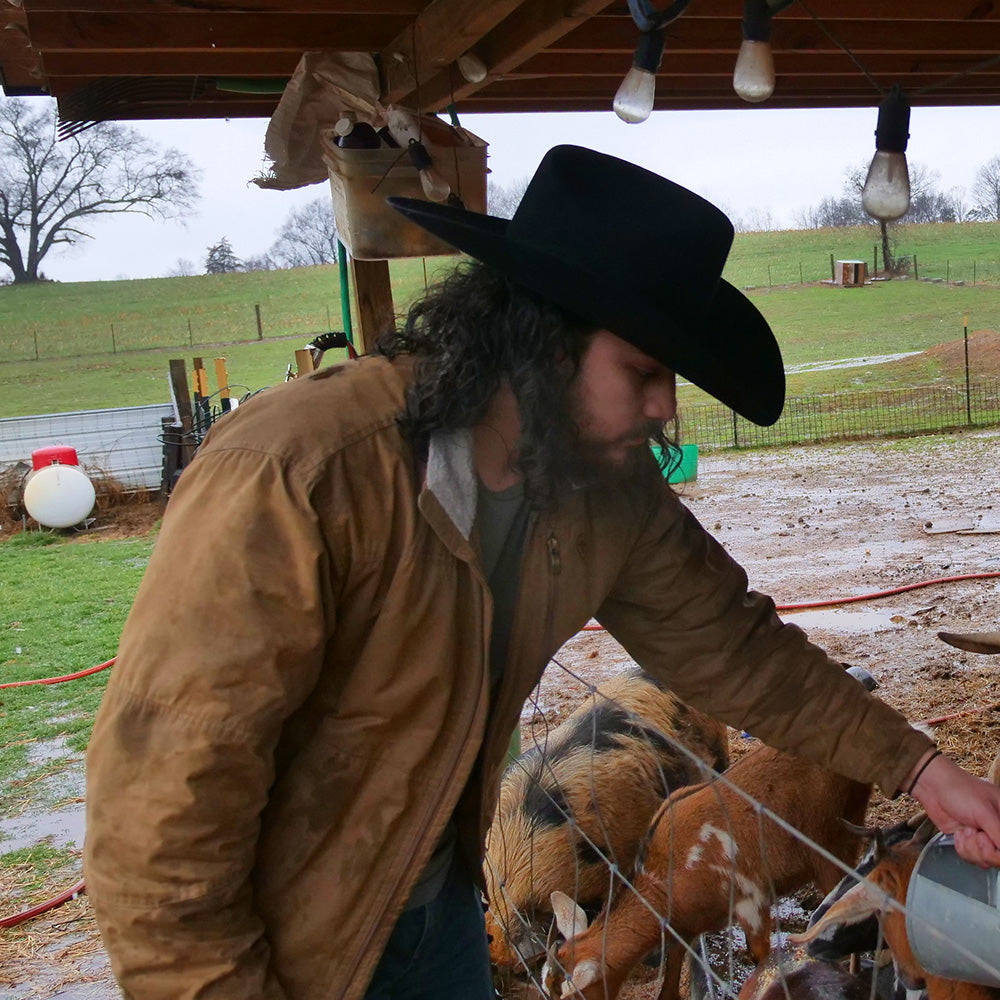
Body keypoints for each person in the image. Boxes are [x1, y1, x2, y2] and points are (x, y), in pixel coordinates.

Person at [83, 145, 1000, 1000]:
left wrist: (921, 770)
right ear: (539, 339)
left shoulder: (604, 487)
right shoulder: (301, 474)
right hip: (289, 942)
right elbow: (166, 805)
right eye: (641, 370)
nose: (663, 406)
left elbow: (738, 648)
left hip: (438, 909)